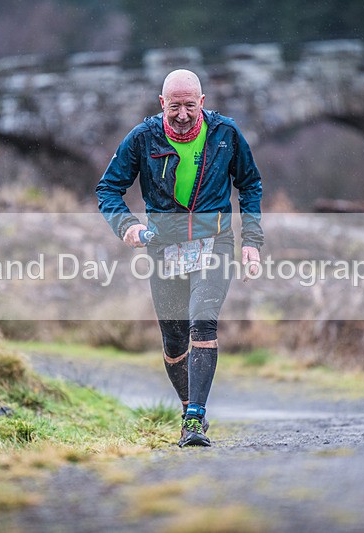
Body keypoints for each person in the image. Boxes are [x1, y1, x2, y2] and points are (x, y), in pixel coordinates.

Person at [96, 69, 263, 447]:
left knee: (202, 321)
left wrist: (251, 240)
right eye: (174, 107)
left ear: (202, 102)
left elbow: (250, 184)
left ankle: (194, 419)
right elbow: (108, 188)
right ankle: (188, 406)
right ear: (162, 104)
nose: (183, 114)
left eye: (190, 105)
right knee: (174, 340)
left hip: (214, 242)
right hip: (164, 247)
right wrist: (127, 226)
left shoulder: (226, 134)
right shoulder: (142, 138)